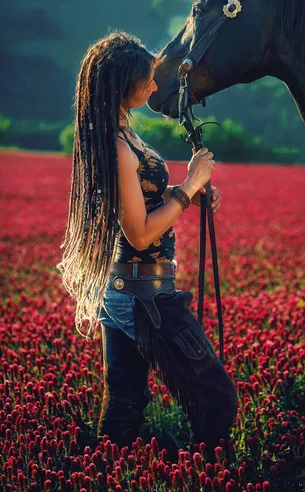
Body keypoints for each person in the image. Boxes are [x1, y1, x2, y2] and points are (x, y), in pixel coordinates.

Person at [56, 31, 238, 461]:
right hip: (138, 296)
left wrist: (189, 194)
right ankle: (201, 470)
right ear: (124, 84)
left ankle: (111, 471)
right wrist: (190, 183)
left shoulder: (125, 136)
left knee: (126, 400)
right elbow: (138, 233)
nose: (156, 86)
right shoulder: (117, 147)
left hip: (140, 291)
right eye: (147, 80)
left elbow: (145, 201)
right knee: (214, 397)